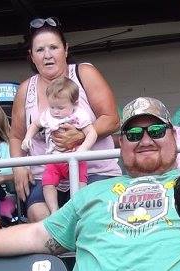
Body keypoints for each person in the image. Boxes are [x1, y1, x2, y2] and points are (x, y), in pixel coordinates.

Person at [0, 97, 180, 271]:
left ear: (174, 137)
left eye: (156, 131)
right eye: (134, 134)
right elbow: (37, 235)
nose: (145, 140)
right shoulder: (93, 193)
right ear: (122, 143)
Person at [9, 17, 120, 222]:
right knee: (38, 214)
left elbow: (112, 119)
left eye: (54, 47)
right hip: (48, 176)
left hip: (95, 171)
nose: (48, 55)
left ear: (66, 50)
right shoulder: (25, 89)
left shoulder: (84, 72)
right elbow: (16, 136)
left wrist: (79, 136)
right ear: (31, 56)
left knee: (92, 215)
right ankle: (51, 256)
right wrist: (18, 167)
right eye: (40, 50)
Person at [22, 77, 98, 213]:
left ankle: (78, 209)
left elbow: (92, 133)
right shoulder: (48, 115)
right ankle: (54, 210)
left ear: (74, 104)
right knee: (48, 183)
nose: (56, 111)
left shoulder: (79, 115)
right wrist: (27, 138)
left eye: (61, 108)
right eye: (52, 107)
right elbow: (35, 124)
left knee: (80, 184)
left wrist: (83, 149)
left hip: (75, 159)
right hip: (54, 159)